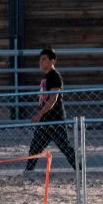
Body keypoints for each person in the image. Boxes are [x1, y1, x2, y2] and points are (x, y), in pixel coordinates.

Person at [22, 47, 77, 181]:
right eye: (40, 59)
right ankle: (28, 174)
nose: (40, 62)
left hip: (55, 120)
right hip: (45, 121)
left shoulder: (55, 76)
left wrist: (38, 114)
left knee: (65, 147)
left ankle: (80, 170)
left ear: (52, 61)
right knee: (35, 147)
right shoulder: (46, 77)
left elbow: (53, 100)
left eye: (44, 59)